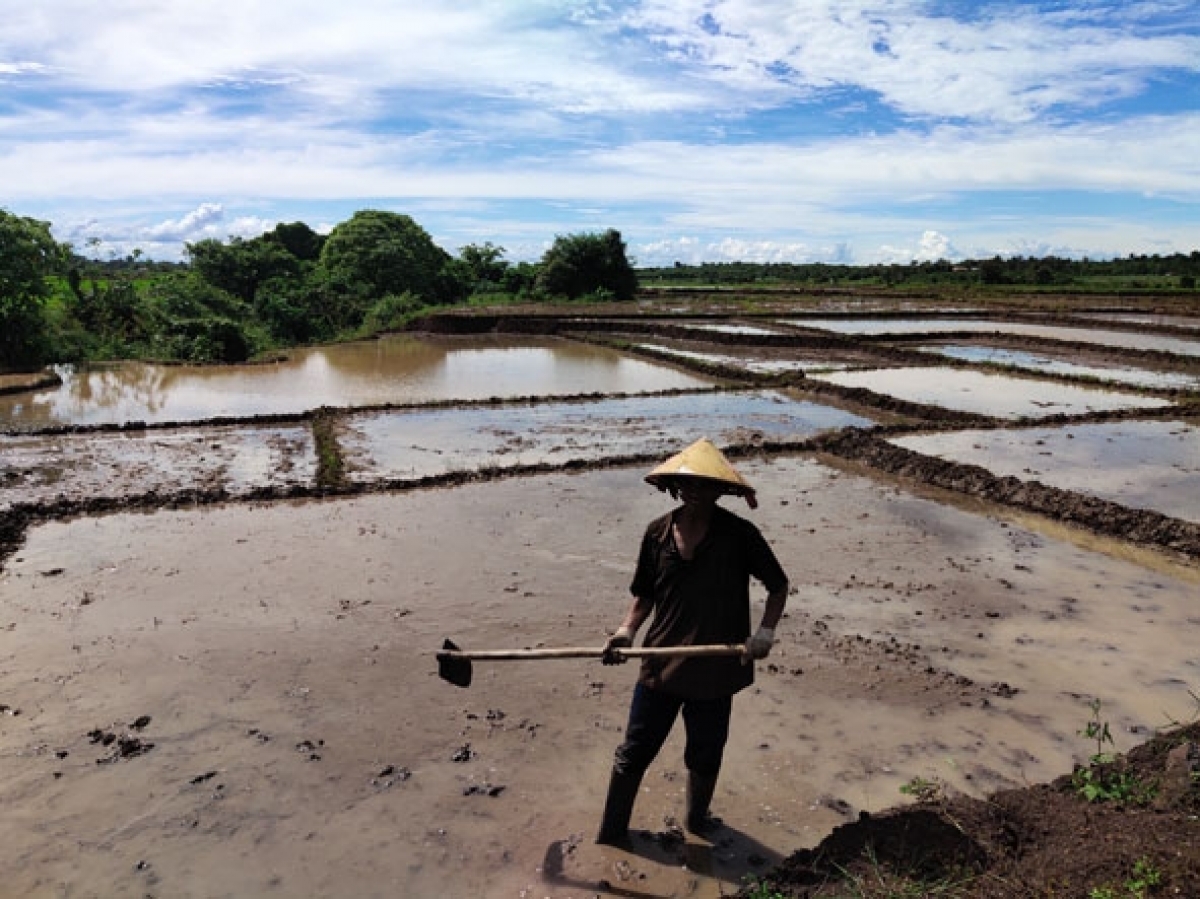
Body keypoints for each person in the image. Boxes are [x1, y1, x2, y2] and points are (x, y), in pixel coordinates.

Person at [596, 438, 789, 846]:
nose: (692, 491)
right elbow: (644, 594)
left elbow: (777, 585)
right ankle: (611, 835)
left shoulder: (740, 535)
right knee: (633, 751)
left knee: (705, 753)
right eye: (686, 484)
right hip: (660, 665)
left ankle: (697, 823)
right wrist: (625, 632)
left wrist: (765, 633)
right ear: (674, 487)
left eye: (702, 484)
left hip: (716, 671)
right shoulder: (657, 533)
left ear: (720, 490)